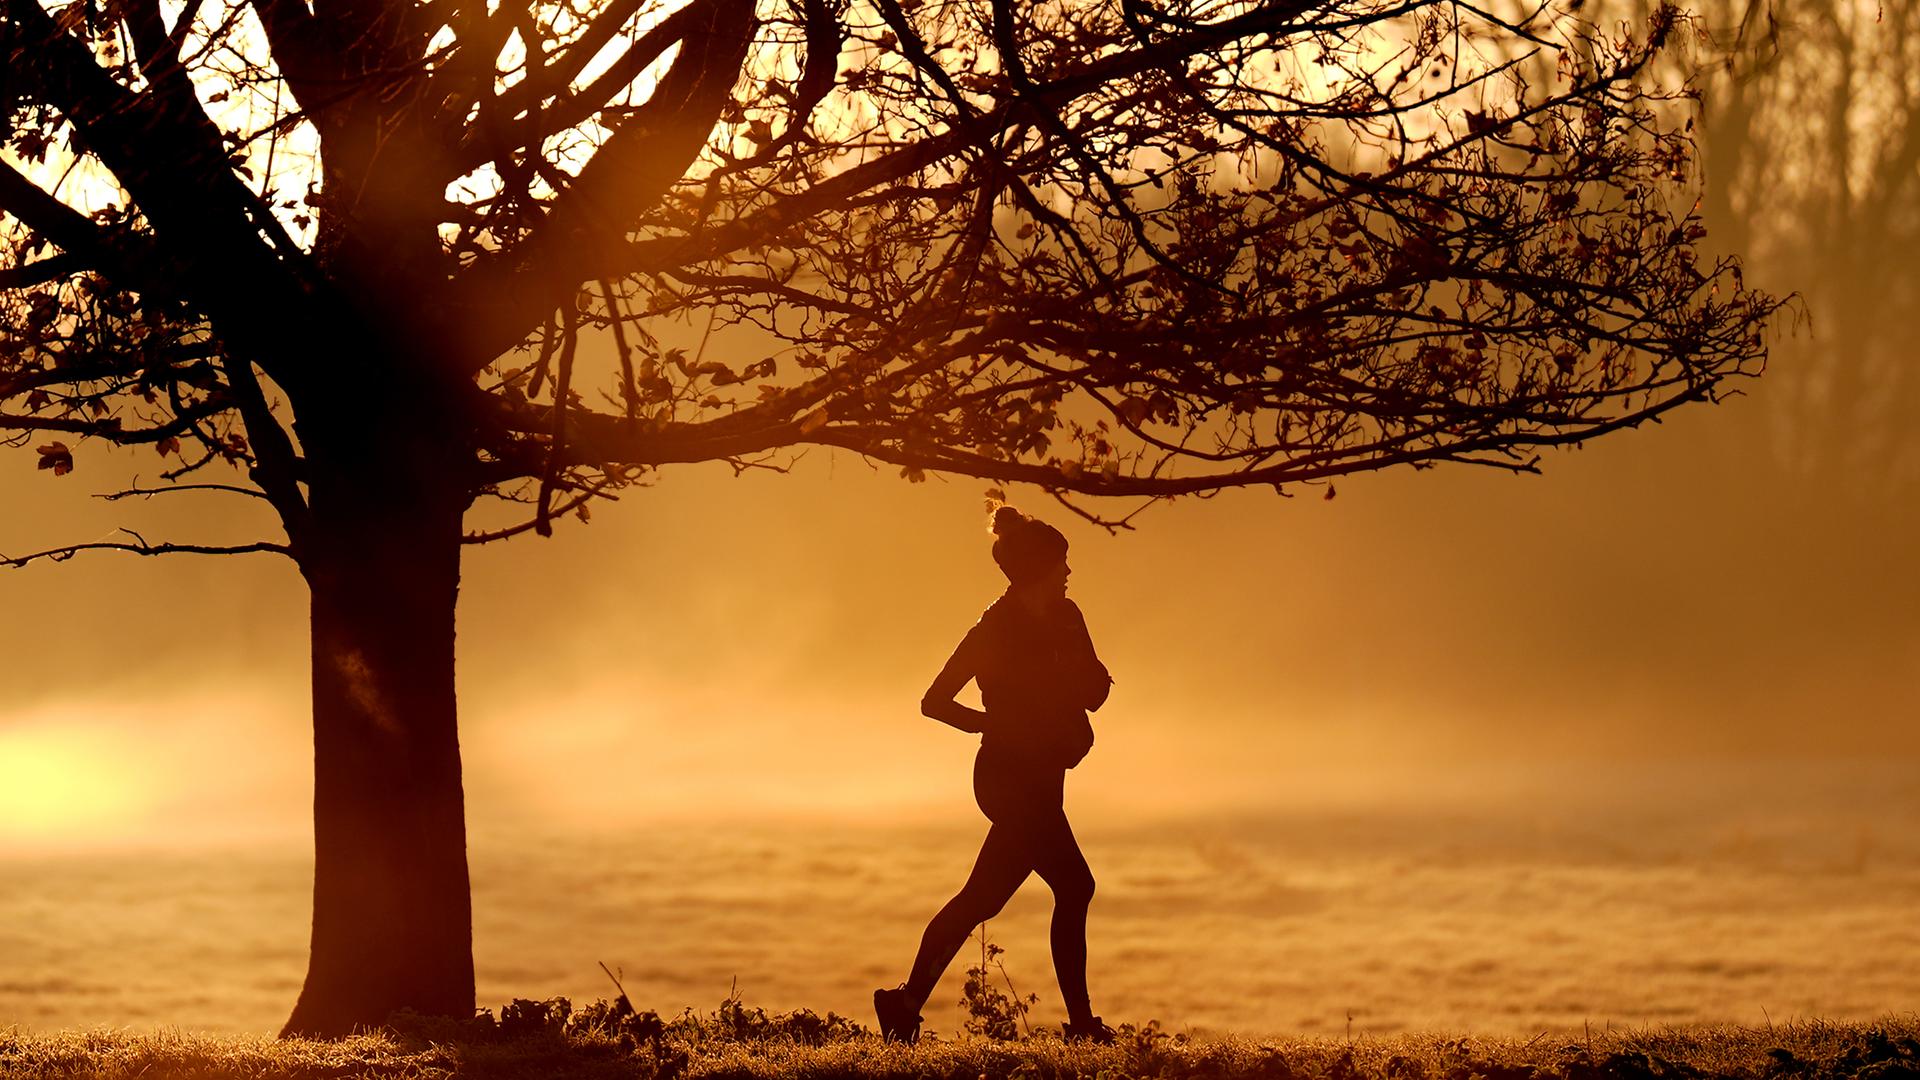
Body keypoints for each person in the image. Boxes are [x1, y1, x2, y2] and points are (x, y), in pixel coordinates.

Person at [873, 505, 1116, 1045]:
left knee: (982, 899)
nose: (1069, 572)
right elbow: (935, 701)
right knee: (1076, 885)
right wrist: (994, 723)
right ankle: (1081, 1027)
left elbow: (1094, 691)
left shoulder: (1067, 617)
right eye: (1061, 564)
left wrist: (1083, 678)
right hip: (1006, 780)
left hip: (1045, 779)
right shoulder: (992, 630)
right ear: (1037, 570)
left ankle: (903, 1005)